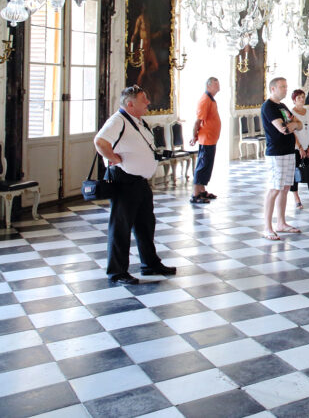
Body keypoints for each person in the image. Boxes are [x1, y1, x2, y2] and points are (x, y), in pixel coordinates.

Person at [94, 86, 176, 285]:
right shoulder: (117, 121)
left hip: (139, 181)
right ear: (130, 104)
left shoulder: (138, 121)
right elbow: (100, 141)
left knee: (146, 224)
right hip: (124, 180)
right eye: (143, 99)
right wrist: (113, 158)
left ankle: (150, 263)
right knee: (121, 226)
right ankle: (117, 271)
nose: (148, 102)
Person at [261, 77, 304, 241]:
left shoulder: (283, 106)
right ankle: (267, 227)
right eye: (282, 87)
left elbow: (298, 124)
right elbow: (284, 129)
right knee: (274, 189)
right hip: (276, 153)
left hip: (288, 151)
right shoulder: (269, 107)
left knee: (286, 187)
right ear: (273, 89)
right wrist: (291, 125)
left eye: (286, 86)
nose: (285, 89)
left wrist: (292, 125)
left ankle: (281, 223)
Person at [189, 76, 221, 205]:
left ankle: (202, 190)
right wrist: (193, 136)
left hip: (211, 138)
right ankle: (195, 194)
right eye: (215, 84)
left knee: (207, 166)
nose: (218, 86)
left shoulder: (211, 99)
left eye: (218, 84)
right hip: (206, 138)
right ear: (208, 86)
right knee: (202, 166)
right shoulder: (205, 100)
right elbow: (197, 121)